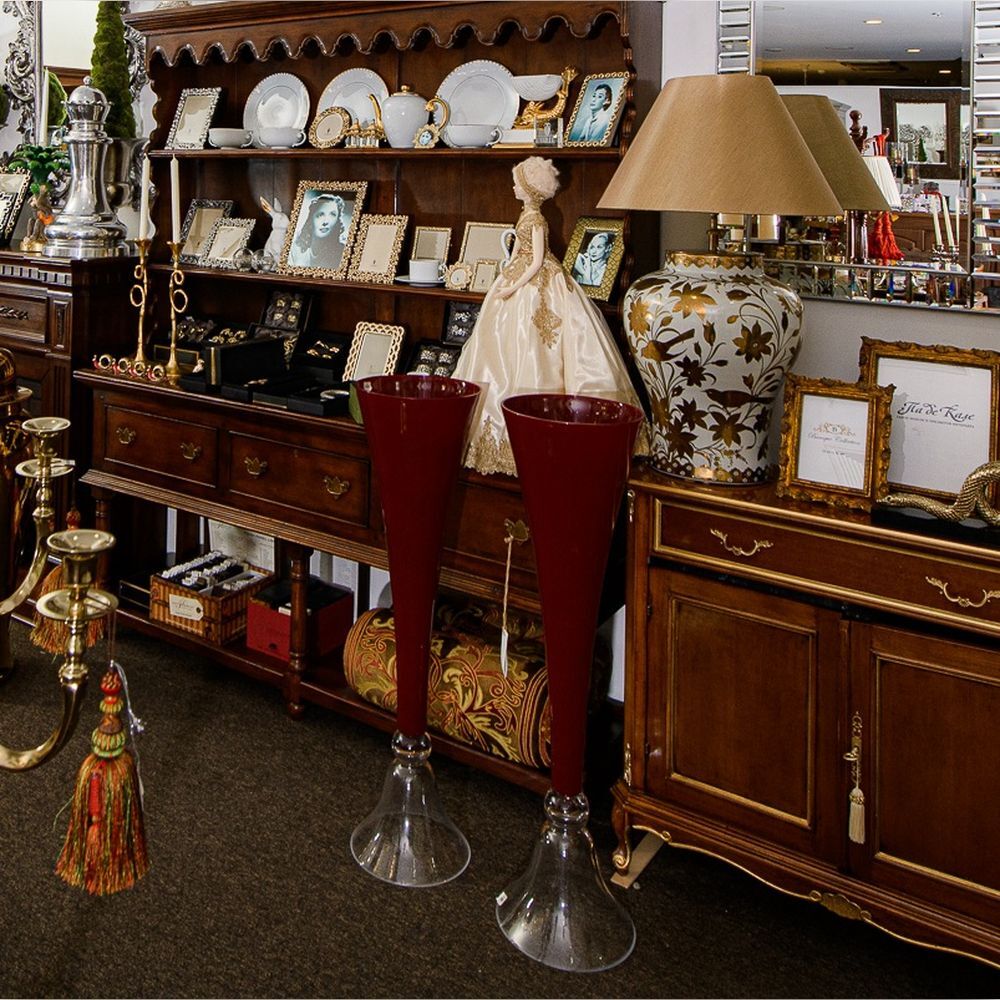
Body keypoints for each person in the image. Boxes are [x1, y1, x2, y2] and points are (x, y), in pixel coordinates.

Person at [453, 156, 646, 476]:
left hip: (537, 283)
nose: (513, 188)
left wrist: (513, 284)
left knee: (539, 346)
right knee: (499, 343)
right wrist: (506, 275)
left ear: (529, 189)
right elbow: (518, 253)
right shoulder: (525, 216)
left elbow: (537, 261)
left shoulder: (536, 221)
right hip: (516, 276)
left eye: (517, 183)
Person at [290, 192, 346, 270]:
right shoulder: (295, 250)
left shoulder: (343, 252)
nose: (325, 222)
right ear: (311, 220)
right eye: (320, 215)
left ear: (337, 221)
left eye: (332, 215)